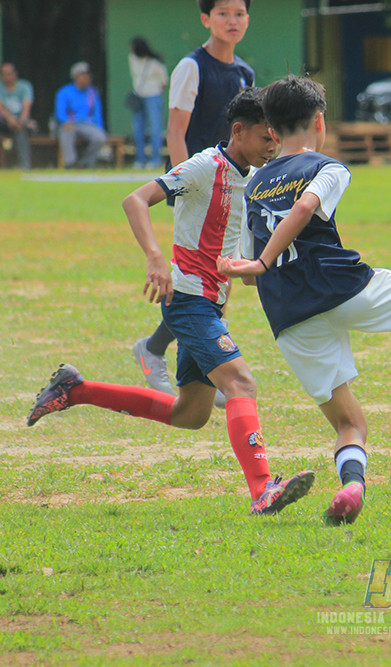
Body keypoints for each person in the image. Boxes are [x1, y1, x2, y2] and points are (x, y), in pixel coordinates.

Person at [26, 89, 312, 515]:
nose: (273, 146)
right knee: (242, 384)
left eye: (276, 138)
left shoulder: (248, 177)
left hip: (207, 303)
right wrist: (156, 258)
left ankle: (77, 389)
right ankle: (262, 489)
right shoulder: (203, 166)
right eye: (266, 138)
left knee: (190, 414)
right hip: (187, 300)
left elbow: (223, 241)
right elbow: (135, 200)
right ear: (239, 131)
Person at [216, 75, 391, 526]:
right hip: (341, 287)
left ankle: (353, 487)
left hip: (289, 315)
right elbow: (303, 209)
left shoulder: (256, 182)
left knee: (348, 422)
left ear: (273, 132)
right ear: (320, 121)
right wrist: (262, 262)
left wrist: (255, 266)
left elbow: (243, 268)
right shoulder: (328, 167)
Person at [132, 0, 256, 407]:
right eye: (223, 13)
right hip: (197, 183)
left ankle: (186, 358)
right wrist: (183, 187)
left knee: (219, 274)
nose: (232, 21)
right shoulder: (192, 66)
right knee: (196, 275)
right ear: (206, 19)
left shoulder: (244, 73)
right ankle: (161, 351)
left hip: (230, 184)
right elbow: (176, 131)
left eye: (239, 13)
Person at [55, 61, 107, 168]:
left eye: (88, 76)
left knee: (100, 137)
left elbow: (97, 114)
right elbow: (60, 112)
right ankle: (70, 163)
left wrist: (99, 128)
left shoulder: (92, 92)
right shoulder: (65, 92)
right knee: (66, 131)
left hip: (87, 125)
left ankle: (85, 164)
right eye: (84, 76)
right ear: (76, 77)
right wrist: (65, 122)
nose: (87, 78)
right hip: (70, 124)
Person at [128, 37, 169, 170]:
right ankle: (140, 159)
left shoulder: (155, 63)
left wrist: (155, 92)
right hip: (138, 96)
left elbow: (164, 81)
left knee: (155, 128)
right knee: (138, 128)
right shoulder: (132, 58)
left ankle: (155, 159)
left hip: (153, 96)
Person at [0, 62, 34, 170]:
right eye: (4, 74)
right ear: (0, 76)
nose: (7, 77)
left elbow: (26, 107)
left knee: (21, 128)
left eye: (10, 73)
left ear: (15, 74)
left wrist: (20, 122)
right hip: (3, 121)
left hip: (20, 121)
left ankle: (24, 166)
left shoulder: (25, 86)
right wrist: (11, 120)